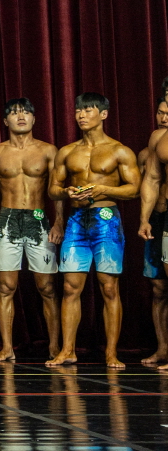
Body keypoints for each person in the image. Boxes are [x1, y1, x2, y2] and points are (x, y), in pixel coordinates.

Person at [47, 92, 141, 368]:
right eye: (78, 110)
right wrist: (66, 191)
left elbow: (134, 189)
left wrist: (103, 189)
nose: (81, 115)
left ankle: (111, 353)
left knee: (109, 287)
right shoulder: (67, 151)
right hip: (77, 219)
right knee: (70, 287)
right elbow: (52, 190)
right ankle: (68, 350)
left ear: (103, 114)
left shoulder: (119, 150)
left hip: (106, 219)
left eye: (88, 110)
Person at [0, 98, 63, 362]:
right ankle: (7, 348)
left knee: (46, 287)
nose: (21, 116)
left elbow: (58, 191)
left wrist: (59, 222)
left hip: (38, 218)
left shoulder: (48, 150)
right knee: (6, 286)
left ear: (34, 119)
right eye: (15, 113)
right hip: (7, 219)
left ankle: (54, 347)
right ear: (5, 120)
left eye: (26, 112)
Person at [138, 82, 168, 367]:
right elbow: (152, 179)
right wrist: (145, 218)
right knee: (159, 287)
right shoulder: (159, 138)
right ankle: (163, 348)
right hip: (162, 218)